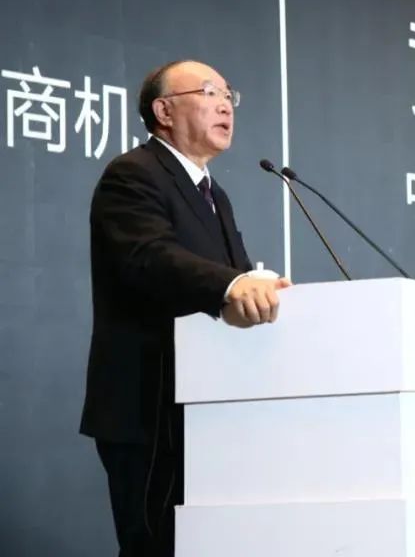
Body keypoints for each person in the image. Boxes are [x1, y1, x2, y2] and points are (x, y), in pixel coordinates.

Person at [79, 60, 290, 556]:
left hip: (208, 407)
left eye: (229, 95)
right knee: (157, 546)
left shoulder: (216, 195)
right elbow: (149, 257)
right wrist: (233, 285)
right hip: (149, 408)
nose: (225, 105)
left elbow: (229, 280)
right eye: (209, 92)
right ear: (164, 111)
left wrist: (259, 289)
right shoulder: (133, 174)